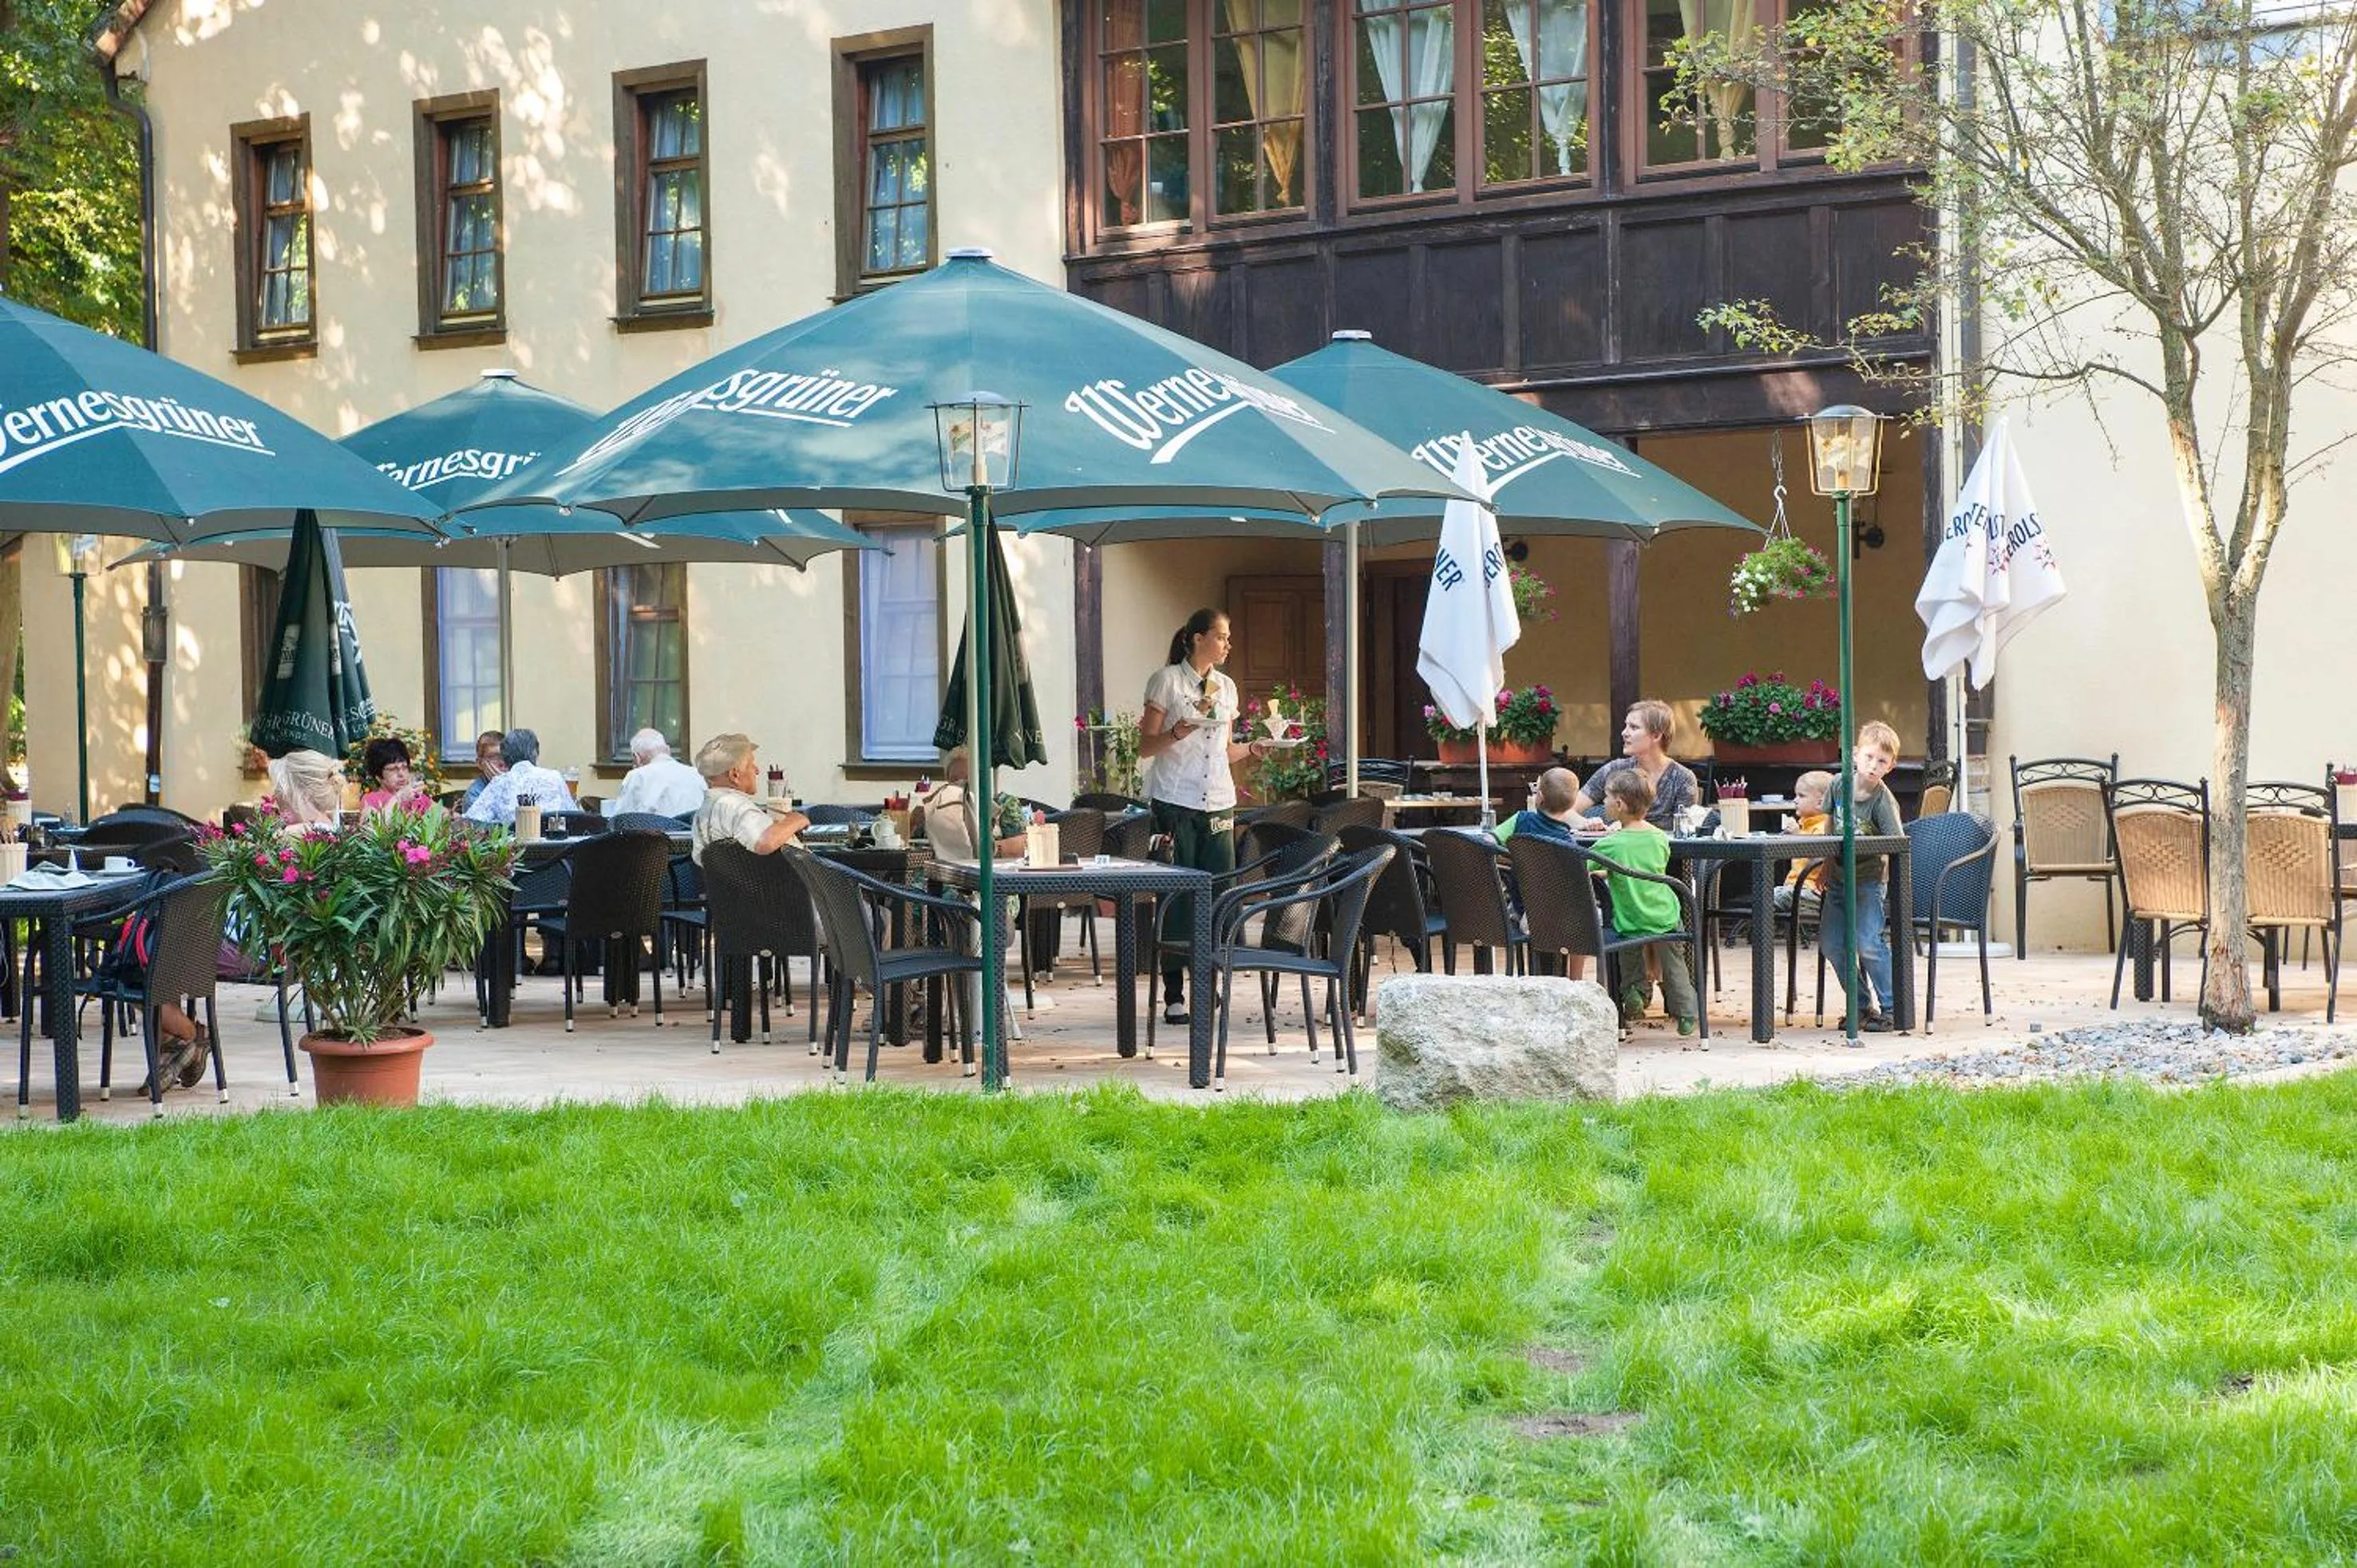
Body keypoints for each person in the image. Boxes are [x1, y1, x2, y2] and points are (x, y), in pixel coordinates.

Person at [1138, 607, 1272, 1025]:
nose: (1228, 644)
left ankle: (1208, 984)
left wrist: (1252, 750)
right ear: (1196, 638)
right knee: (1177, 895)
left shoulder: (1226, 688)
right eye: (1220, 636)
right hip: (1175, 800)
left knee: (1219, 893)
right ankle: (1174, 993)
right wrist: (1176, 732)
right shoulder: (1166, 681)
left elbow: (1224, 751)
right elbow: (1145, 747)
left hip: (1218, 800)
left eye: (1229, 637)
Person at [1586, 769, 1699, 1038]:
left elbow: (1585, 866)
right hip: (1665, 913)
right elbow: (1650, 864)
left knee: (1629, 954)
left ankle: (1634, 993)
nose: (1603, 803)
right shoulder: (1660, 837)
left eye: (1607, 798)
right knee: (1675, 963)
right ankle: (1686, 1014)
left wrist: (1608, 870)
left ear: (1620, 805)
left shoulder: (1611, 844)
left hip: (1631, 917)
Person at [1820, 721, 1904, 1036]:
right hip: (1839, 878)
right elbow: (1830, 826)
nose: (1873, 765)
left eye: (1882, 761)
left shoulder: (1882, 800)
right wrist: (1827, 866)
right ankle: (1860, 1004)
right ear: (1855, 755)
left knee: (1868, 942)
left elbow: (1896, 843)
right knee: (1832, 944)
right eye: (1869, 757)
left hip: (1868, 880)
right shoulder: (1838, 785)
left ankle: (1894, 1007)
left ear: (1891, 766)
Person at [1575, 699, 1700, 833]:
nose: (1624, 733)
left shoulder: (1682, 778)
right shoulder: (1614, 769)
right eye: (1626, 726)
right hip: (1614, 852)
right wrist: (1586, 823)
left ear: (1657, 735)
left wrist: (1632, 828)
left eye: (1634, 727)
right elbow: (1567, 811)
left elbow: (1685, 832)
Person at [690, 733, 809, 864]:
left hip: (733, 884)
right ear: (734, 774)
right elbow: (765, 843)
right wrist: (794, 821)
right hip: (788, 882)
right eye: (752, 764)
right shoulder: (734, 805)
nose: (757, 771)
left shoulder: (702, 815)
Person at [913, 746, 1024, 861]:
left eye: (967, 779)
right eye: (954, 780)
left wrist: (990, 849)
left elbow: (1024, 845)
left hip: (995, 873)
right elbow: (912, 844)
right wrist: (914, 822)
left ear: (981, 777)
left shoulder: (1004, 804)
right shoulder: (938, 808)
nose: (961, 784)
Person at [462, 728, 579, 826]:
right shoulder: (554, 777)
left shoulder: (499, 783)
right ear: (535, 753)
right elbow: (576, 818)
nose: (499, 762)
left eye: (500, 756)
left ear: (506, 757)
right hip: (555, 849)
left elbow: (471, 823)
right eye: (493, 757)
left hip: (513, 850)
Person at [1774, 768, 1836, 923]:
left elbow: (1819, 856)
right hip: (1796, 887)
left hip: (1815, 891)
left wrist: (1797, 836)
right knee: (1768, 894)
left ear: (1821, 802)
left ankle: (1763, 936)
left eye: (1801, 796)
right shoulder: (1804, 824)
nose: (1795, 800)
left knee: (1772, 897)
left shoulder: (1824, 825)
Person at [611, 727, 706, 818]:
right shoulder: (697, 774)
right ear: (668, 750)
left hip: (655, 834)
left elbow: (621, 820)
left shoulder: (637, 776)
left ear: (637, 757)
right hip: (691, 834)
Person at [1493, 766, 1584, 843]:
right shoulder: (1568, 842)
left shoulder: (1521, 819)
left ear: (1540, 797)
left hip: (1518, 864)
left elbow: (1489, 840)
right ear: (1572, 804)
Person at [266, 748, 346, 829]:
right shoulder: (327, 827)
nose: (275, 795)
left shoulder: (296, 833)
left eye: (279, 788)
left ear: (304, 794)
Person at [359, 736, 432, 816]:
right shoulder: (371, 800)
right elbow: (371, 826)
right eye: (393, 769)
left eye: (404, 767)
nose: (401, 774)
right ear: (378, 777)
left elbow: (444, 815)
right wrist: (399, 798)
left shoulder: (418, 798)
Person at [460, 730, 506, 812]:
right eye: (493, 757)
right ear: (480, 763)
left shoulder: (516, 782)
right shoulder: (474, 795)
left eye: (505, 756)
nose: (502, 762)